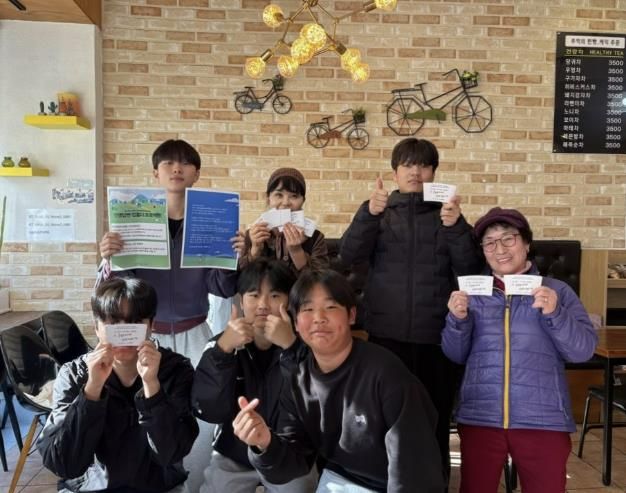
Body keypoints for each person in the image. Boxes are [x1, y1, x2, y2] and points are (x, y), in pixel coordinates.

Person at [339, 137, 483, 478]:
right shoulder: (379, 212)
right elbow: (348, 255)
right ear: (395, 173)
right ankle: (386, 480)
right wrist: (368, 213)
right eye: (407, 165)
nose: (415, 172)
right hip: (386, 337)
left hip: (436, 340)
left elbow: (472, 270)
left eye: (423, 165)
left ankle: (436, 482)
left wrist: (456, 227)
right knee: (384, 417)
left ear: (434, 172)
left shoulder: (448, 215)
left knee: (435, 417)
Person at [233, 269, 445, 493]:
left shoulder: (386, 375)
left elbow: (415, 470)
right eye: (308, 309)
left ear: (351, 315)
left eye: (331, 307)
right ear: (295, 323)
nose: (319, 318)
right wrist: (264, 442)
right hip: (339, 481)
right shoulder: (298, 381)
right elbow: (292, 464)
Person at [441, 207, 598, 493]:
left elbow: (582, 351)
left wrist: (555, 313)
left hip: (543, 419)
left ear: (526, 243)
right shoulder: (472, 294)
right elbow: (455, 355)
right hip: (481, 416)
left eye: (508, 238)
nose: (500, 249)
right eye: (490, 242)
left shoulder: (557, 291)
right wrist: (457, 320)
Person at [37, 277, 199, 492]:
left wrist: (152, 386)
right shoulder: (74, 375)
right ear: (96, 327)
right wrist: (92, 389)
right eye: (112, 323)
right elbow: (64, 463)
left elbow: (171, 454)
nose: (123, 332)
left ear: (151, 325)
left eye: (135, 322)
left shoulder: (176, 370)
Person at [97, 138, 237, 367]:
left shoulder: (209, 223)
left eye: (185, 163)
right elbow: (121, 287)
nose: (177, 169)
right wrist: (109, 258)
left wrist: (229, 259)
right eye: (168, 163)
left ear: (197, 174)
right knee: (148, 387)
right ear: (155, 172)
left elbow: (221, 287)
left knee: (200, 388)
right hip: (146, 335)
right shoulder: (135, 221)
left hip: (196, 332)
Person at [192, 259, 318, 493]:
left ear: (289, 301)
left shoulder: (305, 347)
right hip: (234, 456)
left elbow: (314, 408)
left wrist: (290, 348)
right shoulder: (222, 345)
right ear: (241, 301)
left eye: (274, 296)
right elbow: (208, 410)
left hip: (289, 456)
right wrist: (223, 350)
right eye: (254, 295)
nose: (263, 305)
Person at [232, 167, 328, 274]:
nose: (286, 203)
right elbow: (241, 280)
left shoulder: (316, 238)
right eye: (279, 195)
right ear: (268, 198)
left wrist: (296, 251)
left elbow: (320, 280)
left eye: (294, 196)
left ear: (303, 201)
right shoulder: (251, 236)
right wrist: (255, 251)